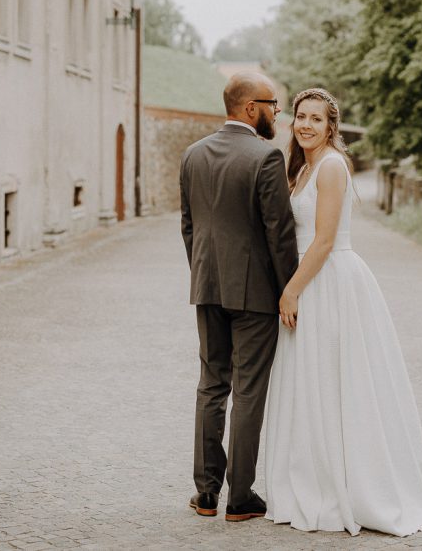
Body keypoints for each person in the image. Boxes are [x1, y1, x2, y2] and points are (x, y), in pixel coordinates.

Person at [264, 88, 422, 536]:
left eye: (315, 119)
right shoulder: (304, 166)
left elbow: (324, 240)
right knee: (312, 383)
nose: (305, 125)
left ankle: (350, 484)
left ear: (331, 127)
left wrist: (291, 292)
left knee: (337, 380)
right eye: (300, 117)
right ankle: (313, 474)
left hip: (328, 282)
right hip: (312, 278)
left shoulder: (330, 167)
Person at [179, 71, 298, 522]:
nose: (276, 113)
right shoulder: (266, 157)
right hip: (255, 295)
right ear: (251, 108)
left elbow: (189, 226)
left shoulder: (193, 155)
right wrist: (289, 291)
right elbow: (279, 235)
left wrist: (205, 272)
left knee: (211, 386)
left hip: (207, 287)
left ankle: (206, 494)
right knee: (248, 391)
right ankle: (241, 497)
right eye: (273, 104)